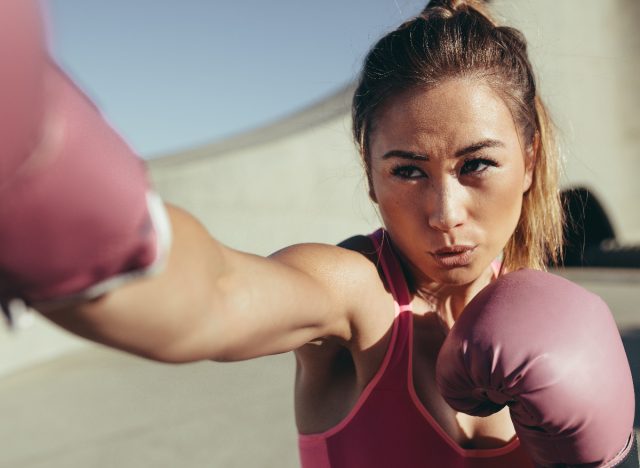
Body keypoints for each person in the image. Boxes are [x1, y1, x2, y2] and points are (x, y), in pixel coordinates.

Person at [1, 0, 637, 466]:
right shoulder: (355, 296)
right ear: (370, 177)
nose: (445, 211)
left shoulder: (550, 314)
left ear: (528, 158)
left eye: (476, 164)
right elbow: (216, 295)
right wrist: (42, 167)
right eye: (407, 171)